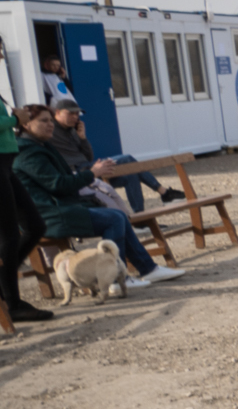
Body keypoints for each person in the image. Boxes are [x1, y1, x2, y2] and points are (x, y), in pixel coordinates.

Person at [14, 103, 184, 289]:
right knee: (114, 219)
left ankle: (148, 269)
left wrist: (84, 147)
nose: (50, 124)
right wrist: (92, 174)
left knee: (117, 215)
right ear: (26, 124)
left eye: (50, 120)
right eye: (43, 121)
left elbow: (77, 167)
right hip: (49, 215)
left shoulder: (41, 145)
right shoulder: (27, 152)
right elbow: (59, 185)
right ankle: (114, 279)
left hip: (60, 208)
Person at [48, 98, 180, 212]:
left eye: (77, 114)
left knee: (131, 175)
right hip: (76, 172)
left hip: (88, 167)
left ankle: (141, 221)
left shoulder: (74, 130)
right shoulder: (50, 129)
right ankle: (164, 193)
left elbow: (88, 157)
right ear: (57, 112)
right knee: (127, 159)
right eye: (70, 113)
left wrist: (82, 138)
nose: (75, 117)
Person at [0, 97, 51, 322]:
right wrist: (14, 119)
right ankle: (12, 305)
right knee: (9, 236)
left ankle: (4, 283)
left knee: (35, 226)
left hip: (6, 163)